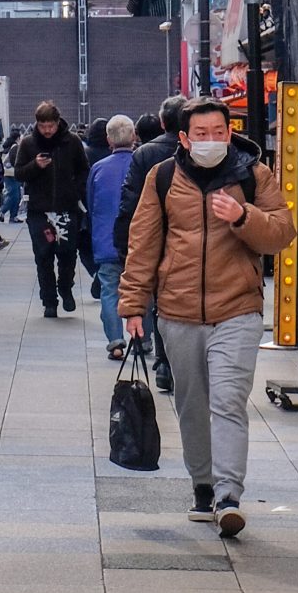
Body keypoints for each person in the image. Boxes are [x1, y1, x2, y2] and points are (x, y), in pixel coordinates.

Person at [119, 94, 296, 539]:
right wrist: (133, 304)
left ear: (230, 132)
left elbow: (281, 233)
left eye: (220, 132)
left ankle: (229, 496)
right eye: (202, 134)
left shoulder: (254, 175)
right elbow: (143, 244)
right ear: (184, 136)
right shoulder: (162, 177)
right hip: (177, 312)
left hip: (236, 309)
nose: (212, 140)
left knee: (228, 403)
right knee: (191, 406)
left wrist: (243, 216)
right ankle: (202, 484)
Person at [115, 94, 190, 391]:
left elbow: (130, 202)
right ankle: (180, 364)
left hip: (156, 238)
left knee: (162, 302)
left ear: (162, 122)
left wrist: (124, 242)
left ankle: (164, 364)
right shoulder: (199, 150)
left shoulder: (145, 154)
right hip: (192, 239)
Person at [12, 100, 90, 320]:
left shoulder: (72, 142)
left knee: (67, 254)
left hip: (67, 209)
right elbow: (18, 173)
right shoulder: (28, 144)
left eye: (50, 126)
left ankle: (65, 287)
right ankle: (49, 301)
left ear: (58, 123)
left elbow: (84, 171)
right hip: (39, 211)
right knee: (43, 256)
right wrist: (35, 166)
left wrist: (75, 191)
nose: (46, 131)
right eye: (42, 126)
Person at [86, 115, 137, 358]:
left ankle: (116, 342)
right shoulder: (142, 164)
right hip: (138, 242)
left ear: (109, 140)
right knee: (142, 290)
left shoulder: (98, 168)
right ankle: (143, 340)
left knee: (109, 290)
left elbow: (90, 202)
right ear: (134, 137)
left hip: (106, 241)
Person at [1, 124, 26, 225]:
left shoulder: (8, 145)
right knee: (14, 195)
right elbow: (15, 161)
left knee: (13, 194)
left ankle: (13, 216)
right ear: (18, 137)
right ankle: (3, 211)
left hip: (7, 173)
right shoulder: (15, 146)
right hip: (13, 173)